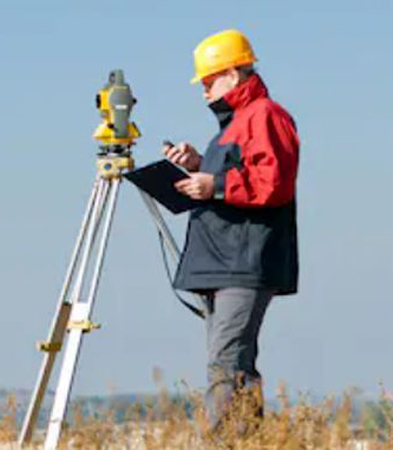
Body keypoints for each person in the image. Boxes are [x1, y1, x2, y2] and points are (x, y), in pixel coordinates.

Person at [163, 29, 300, 432]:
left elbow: (274, 184)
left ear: (234, 74)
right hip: (224, 262)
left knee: (226, 364)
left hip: (244, 261)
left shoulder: (265, 115)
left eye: (209, 80)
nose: (204, 90)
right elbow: (241, 176)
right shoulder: (235, 124)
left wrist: (215, 185)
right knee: (235, 364)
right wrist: (199, 165)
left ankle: (223, 441)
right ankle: (248, 440)